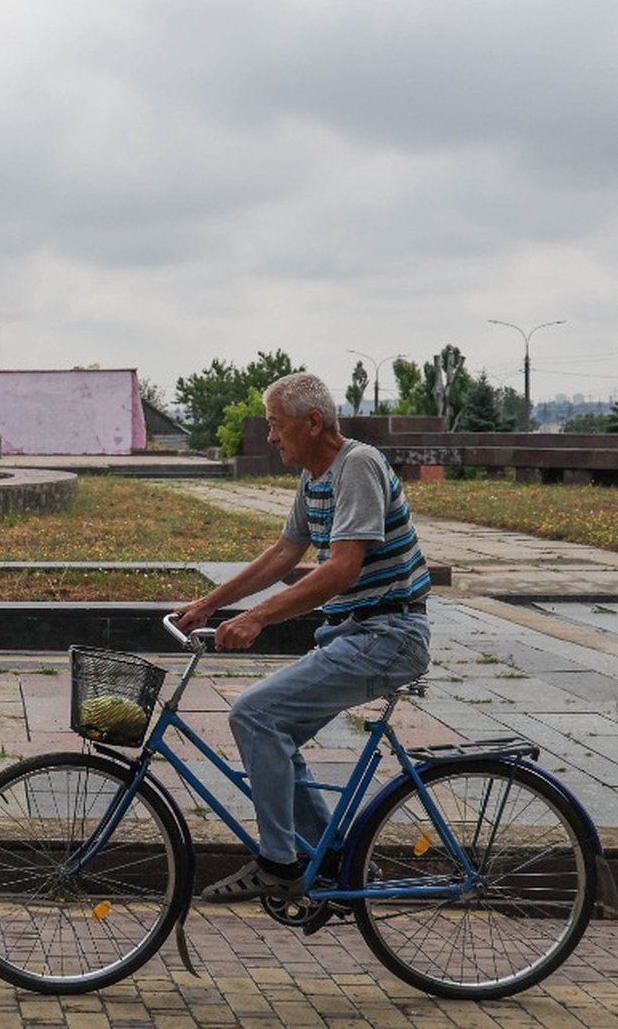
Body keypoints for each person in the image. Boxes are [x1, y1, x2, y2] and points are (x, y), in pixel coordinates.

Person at [174, 371, 432, 901]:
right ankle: (331, 860)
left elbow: (342, 570)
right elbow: (284, 553)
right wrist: (209, 605)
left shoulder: (356, 466)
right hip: (353, 634)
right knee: (272, 731)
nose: (270, 437)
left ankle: (278, 863)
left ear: (313, 423)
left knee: (253, 713)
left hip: (387, 634)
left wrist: (258, 618)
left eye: (276, 425)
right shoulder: (316, 476)